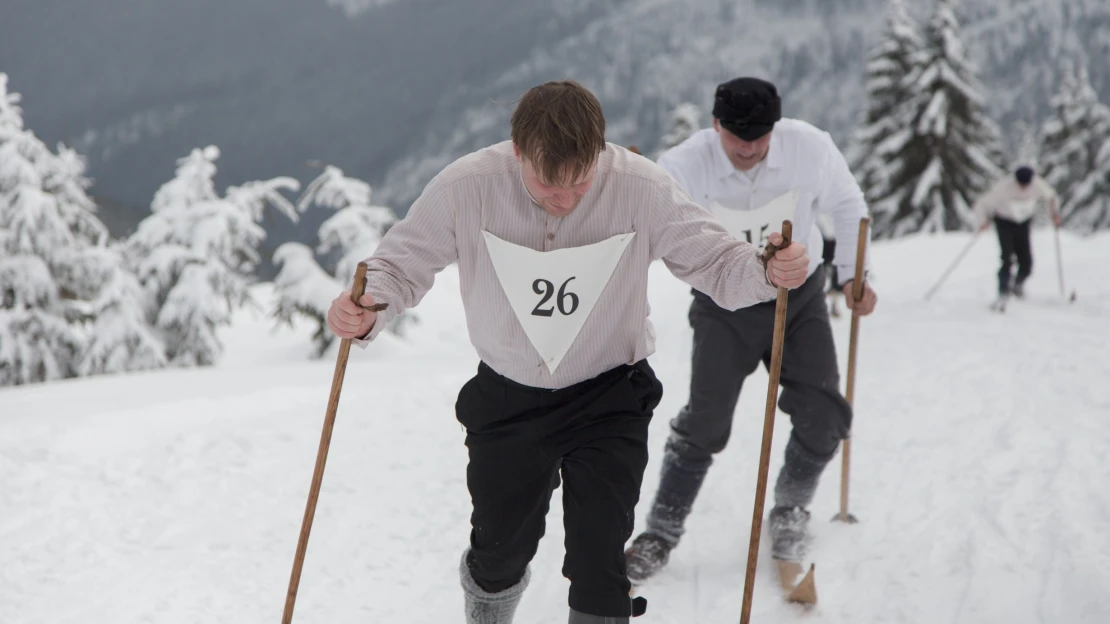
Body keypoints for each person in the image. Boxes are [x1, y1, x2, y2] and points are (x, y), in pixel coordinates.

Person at [325, 80, 810, 624]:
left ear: (600, 154)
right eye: (548, 185)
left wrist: (769, 270)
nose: (566, 200)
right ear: (518, 152)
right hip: (508, 398)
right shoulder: (466, 186)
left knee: (601, 564)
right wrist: (368, 308)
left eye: (580, 184)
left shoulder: (640, 186)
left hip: (609, 393)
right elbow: (398, 265)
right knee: (499, 554)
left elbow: (719, 265)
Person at [623, 76, 878, 582]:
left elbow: (849, 206)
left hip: (799, 297)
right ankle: (660, 530)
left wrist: (853, 275)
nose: (748, 148)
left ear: (775, 128)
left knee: (824, 413)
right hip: (724, 305)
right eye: (737, 136)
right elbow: (643, 224)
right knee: (706, 420)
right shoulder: (684, 164)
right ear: (715, 125)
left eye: (759, 137)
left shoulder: (809, 148)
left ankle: (790, 508)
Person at [974, 165, 1061, 302]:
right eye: (1021, 184)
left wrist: (1054, 214)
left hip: (1023, 223)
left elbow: (1050, 197)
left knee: (1026, 261)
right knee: (1007, 259)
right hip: (1004, 222)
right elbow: (983, 203)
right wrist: (982, 221)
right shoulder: (1004, 187)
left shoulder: (1037, 184)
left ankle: (1018, 284)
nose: (1024, 187)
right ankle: (1003, 291)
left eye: (1026, 184)